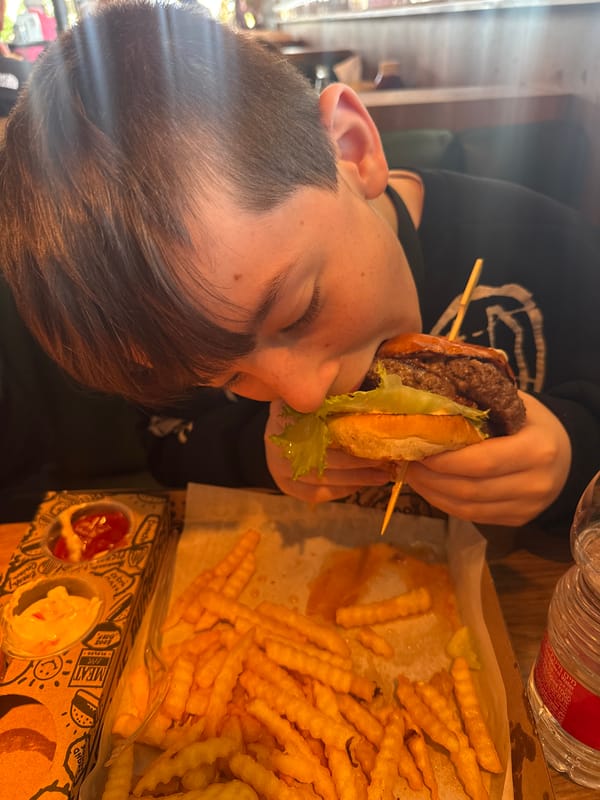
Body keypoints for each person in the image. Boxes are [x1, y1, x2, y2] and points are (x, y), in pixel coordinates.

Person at [1, 1, 599, 533]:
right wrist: (257, 453)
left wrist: (574, 450)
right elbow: (165, 443)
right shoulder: (176, 338)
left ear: (350, 148)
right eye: (234, 381)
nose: (306, 397)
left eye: (299, 310)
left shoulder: (553, 245)